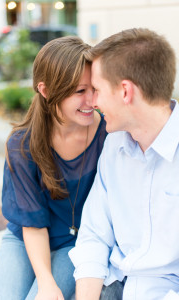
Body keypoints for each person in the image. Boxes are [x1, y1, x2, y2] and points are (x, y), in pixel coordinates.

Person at [0, 36, 108, 300]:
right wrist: (45, 281)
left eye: (95, 89)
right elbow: (32, 225)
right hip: (26, 238)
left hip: (75, 243)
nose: (92, 101)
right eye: (80, 91)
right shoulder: (23, 145)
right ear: (45, 90)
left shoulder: (107, 134)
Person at [69, 28, 179, 300]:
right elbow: (94, 234)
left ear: (125, 91)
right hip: (113, 282)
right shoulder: (114, 143)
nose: (92, 102)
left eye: (96, 90)